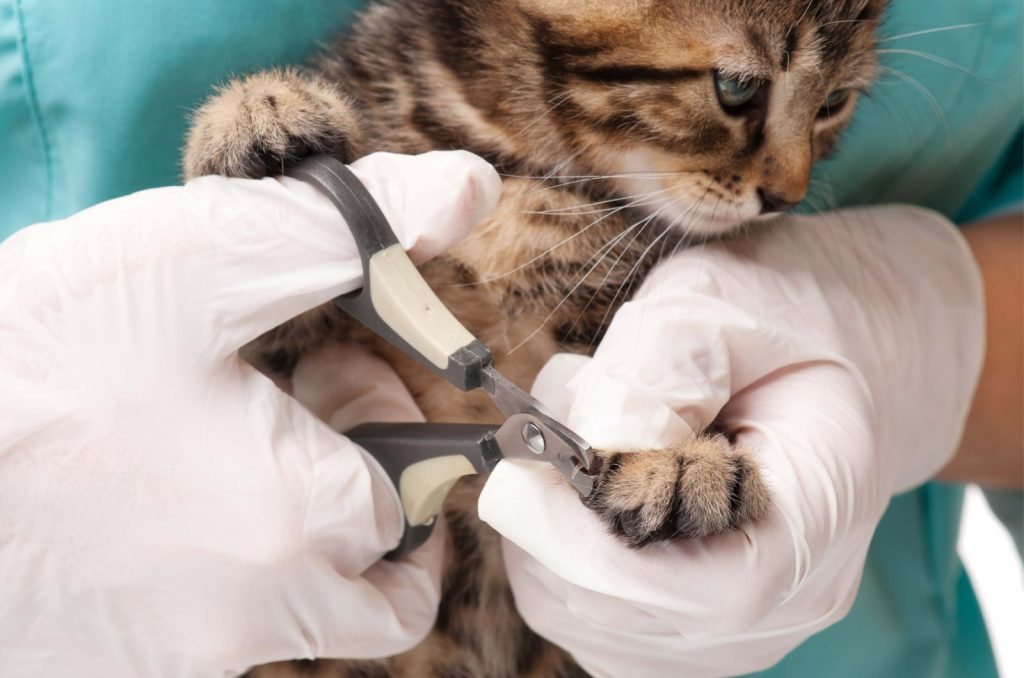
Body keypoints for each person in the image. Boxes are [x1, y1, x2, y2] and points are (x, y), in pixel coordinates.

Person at [0, 0, 1020, 676]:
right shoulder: (395, 103)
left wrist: (927, 341)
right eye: (740, 91)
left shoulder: (662, 214)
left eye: (832, 105)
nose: (785, 182)